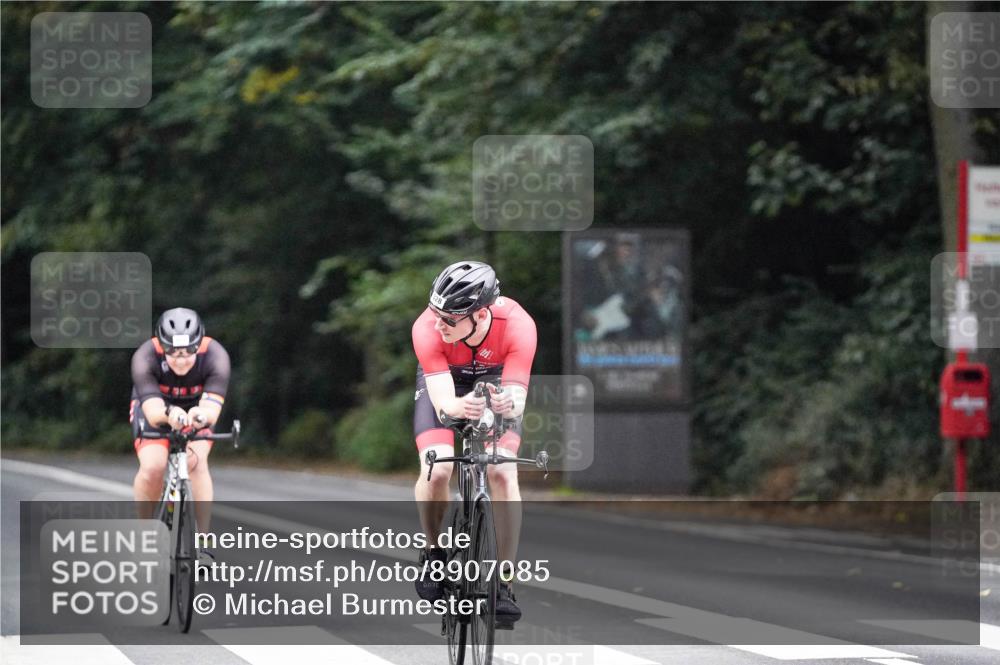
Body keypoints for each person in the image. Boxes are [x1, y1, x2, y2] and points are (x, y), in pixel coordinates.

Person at [411, 261, 537, 624]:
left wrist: (506, 403)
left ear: (480, 315)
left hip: (495, 378)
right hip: (445, 382)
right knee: (437, 467)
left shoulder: (518, 325)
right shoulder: (427, 328)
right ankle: (434, 552)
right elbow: (444, 403)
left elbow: (517, 399)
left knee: (502, 472)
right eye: (436, 313)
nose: (438, 324)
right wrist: (458, 407)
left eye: (449, 319)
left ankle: (504, 581)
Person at [130, 308, 230, 559]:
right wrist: (170, 413)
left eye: (187, 352)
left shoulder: (215, 355)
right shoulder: (145, 355)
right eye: (173, 353)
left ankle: (203, 543)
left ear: (198, 345)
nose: (181, 360)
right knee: (153, 467)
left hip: (197, 409)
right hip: (157, 407)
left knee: (196, 463)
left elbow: (211, 411)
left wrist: (200, 416)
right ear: (161, 346)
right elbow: (153, 413)